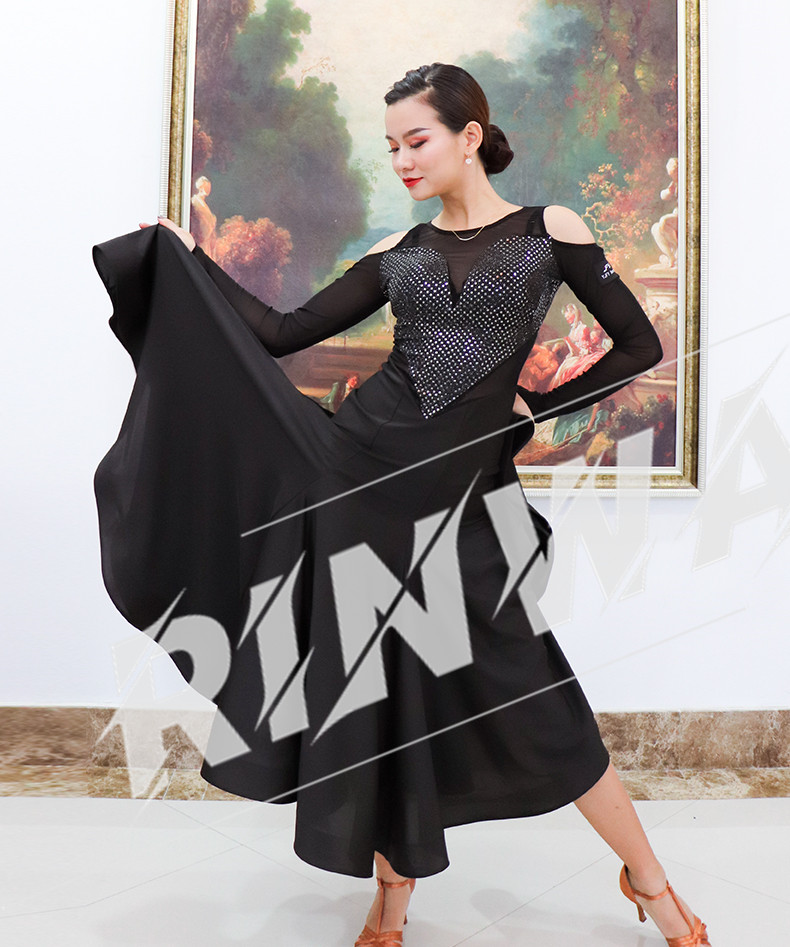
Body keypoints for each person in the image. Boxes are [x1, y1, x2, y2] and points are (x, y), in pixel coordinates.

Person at [128, 63, 708, 946]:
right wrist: (190, 257)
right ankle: (391, 898)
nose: (401, 159)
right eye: (391, 145)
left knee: (539, 692)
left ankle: (649, 880)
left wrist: (536, 407)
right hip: (358, 481)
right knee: (377, 696)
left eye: (417, 140)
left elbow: (639, 345)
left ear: (469, 135)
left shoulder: (549, 230)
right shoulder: (400, 252)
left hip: (465, 504)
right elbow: (282, 332)